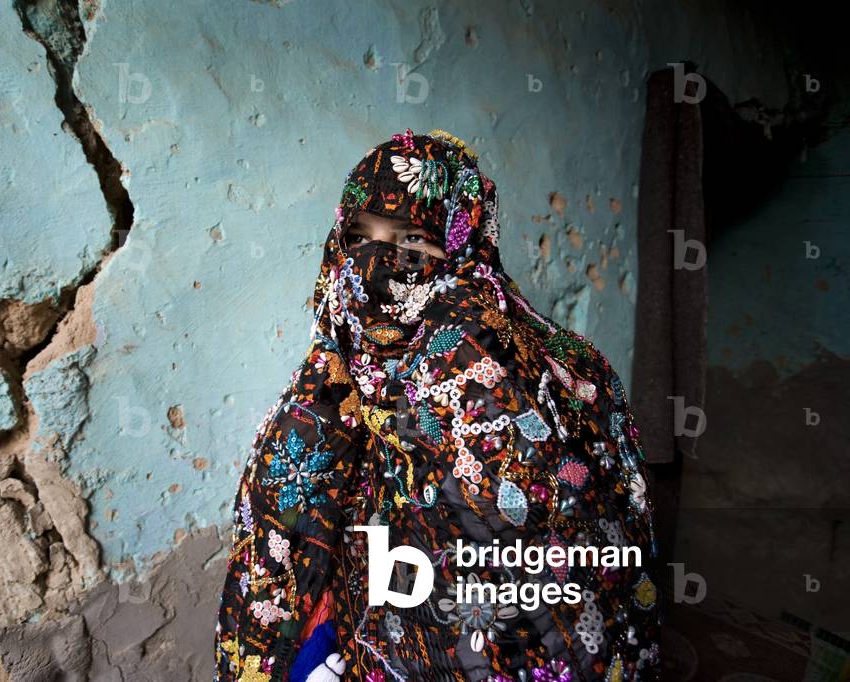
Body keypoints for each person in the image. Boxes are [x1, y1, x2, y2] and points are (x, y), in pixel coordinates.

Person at [213, 128, 661, 682]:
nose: (377, 263)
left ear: (464, 246)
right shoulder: (329, 379)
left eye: (413, 242)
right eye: (360, 235)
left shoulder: (515, 377)